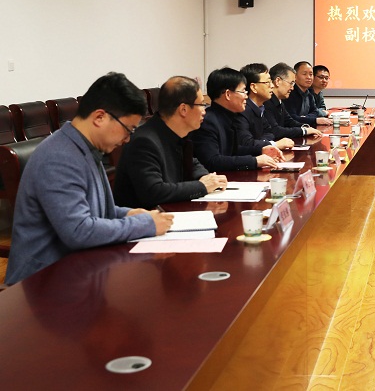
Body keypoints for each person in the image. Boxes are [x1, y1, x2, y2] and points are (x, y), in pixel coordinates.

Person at [5, 72, 174, 285]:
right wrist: (145, 224)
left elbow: (95, 211)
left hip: (75, 272)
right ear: (99, 117)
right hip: (41, 283)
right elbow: (78, 230)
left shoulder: (84, 148)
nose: (127, 139)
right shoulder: (59, 157)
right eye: (128, 129)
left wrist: (128, 213)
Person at [114, 76, 228, 209]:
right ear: (183, 109)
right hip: (147, 217)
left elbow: (192, 163)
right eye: (202, 104)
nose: (204, 111)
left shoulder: (175, 133)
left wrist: (207, 178)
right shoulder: (144, 141)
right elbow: (154, 192)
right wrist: (202, 186)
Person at [189, 67, 283, 172]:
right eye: (243, 91)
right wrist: (254, 161)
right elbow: (212, 161)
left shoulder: (229, 116)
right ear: (228, 94)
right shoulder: (208, 121)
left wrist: (261, 150)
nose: (246, 96)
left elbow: (233, 151)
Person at [235, 63, 295, 151]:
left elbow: (270, 133)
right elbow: (246, 143)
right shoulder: (242, 110)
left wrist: (262, 142)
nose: (272, 85)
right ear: (253, 87)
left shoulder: (259, 107)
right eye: (267, 82)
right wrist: (274, 144)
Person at [264, 62, 323, 140]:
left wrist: (305, 127)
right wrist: (304, 131)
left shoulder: (279, 101)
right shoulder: (266, 102)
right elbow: (275, 131)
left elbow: (289, 121)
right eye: (291, 83)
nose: (292, 88)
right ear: (278, 81)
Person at [284, 61, 332, 126]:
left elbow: (315, 112)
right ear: (295, 76)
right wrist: (314, 120)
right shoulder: (289, 93)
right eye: (304, 74)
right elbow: (291, 118)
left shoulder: (309, 94)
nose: (308, 77)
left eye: (311, 74)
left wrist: (305, 118)